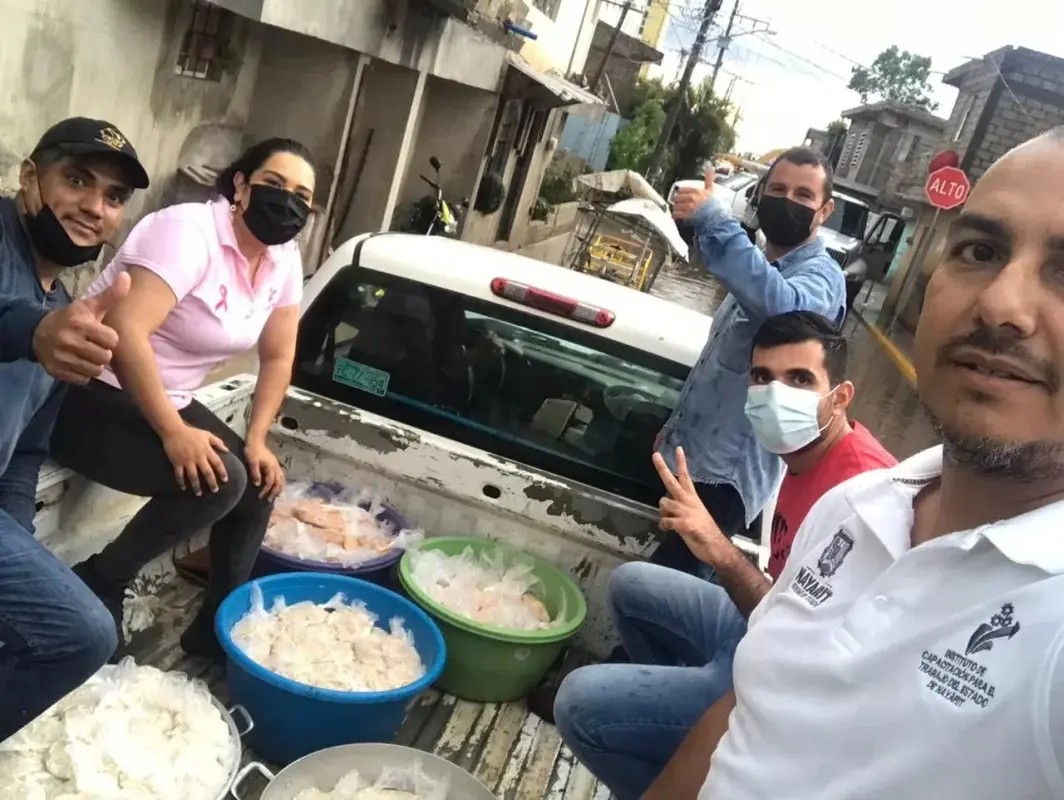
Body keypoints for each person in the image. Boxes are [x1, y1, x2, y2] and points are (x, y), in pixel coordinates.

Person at [644, 127, 1064, 800]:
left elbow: (789, 316)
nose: (1002, 304)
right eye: (981, 251)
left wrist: (716, 228)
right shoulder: (857, 505)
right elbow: (752, 709)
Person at [553, 311, 895, 799]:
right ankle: (671, 733)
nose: (777, 395)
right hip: (760, 626)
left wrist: (718, 548)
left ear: (839, 397)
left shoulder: (861, 492)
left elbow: (805, 639)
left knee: (578, 704)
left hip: (790, 680)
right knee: (633, 584)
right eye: (763, 378)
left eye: (800, 379)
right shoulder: (803, 456)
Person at [49, 138, 316, 659]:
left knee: (256, 481)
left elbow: (280, 355)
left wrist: (258, 438)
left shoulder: (282, 256)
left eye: (302, 195)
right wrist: (174, 432)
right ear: (240, 185)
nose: (288, 202)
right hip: (87, 388)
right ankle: (100, 578)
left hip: (165, 394)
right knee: (221, 481)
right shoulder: (188, 232)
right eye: (274, 185)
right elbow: (126, 332)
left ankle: (219, 627)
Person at [0, 117, 149, 739]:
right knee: (84, 633)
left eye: (113, 197)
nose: (95, 207)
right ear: (31, 178)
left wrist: (17, 542)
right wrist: (28, 333)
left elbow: (28, 447)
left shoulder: (65, 312)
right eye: (78, 180)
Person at [657, 147, 846, 579]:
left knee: (663, 596)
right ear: (760, 195)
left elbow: (786, 312)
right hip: (695, 461)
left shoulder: (820, 277)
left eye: (803, 195)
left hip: (724, 478)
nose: (787, 201)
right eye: (778, 189)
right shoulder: (761, 266)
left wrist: (716, 222)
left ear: (825, 210)